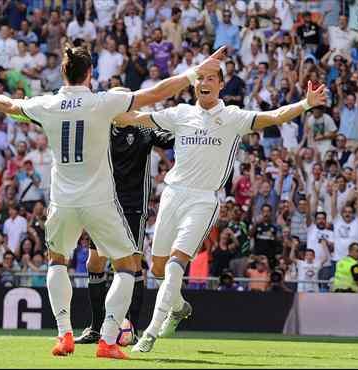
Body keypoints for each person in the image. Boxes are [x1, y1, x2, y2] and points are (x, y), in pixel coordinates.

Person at [0, 44, 222, 359]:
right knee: (126, 266)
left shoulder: (48, 104)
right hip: (99, 202)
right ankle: (107, 340)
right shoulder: (102, 103)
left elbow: (10, 103)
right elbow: (156, 92)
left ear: (63, 73)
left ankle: (64, 334)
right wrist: (194, 72)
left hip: (62, 201)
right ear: (90, 74)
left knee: (57, 261)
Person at [114, 66, 327, 353]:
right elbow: (136, 118)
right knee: (159, 268)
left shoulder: (232, 117)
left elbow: (274, 116)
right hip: (172, 194)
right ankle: (177, 307)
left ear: (221, 86)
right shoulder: (180, 113)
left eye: (211, 78)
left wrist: (305, 104)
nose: (204, 82)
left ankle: (150, 333)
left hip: (203, 200)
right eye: (201, 78)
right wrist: (103, 110)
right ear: (194, 84)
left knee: (177, 264)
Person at [75, 88, 174, 345]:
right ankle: (96, 328)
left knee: (132, 264)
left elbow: (170, 138)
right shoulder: (101, 129)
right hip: (103, 205)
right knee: (94, 264)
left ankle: (132, 328)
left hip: (132, 206)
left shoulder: (143, 129)